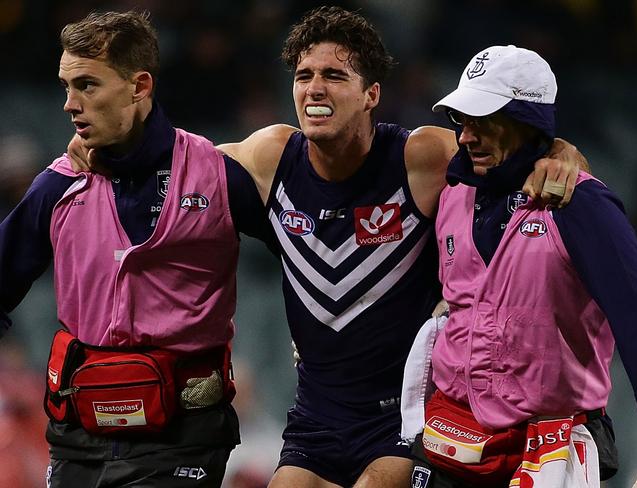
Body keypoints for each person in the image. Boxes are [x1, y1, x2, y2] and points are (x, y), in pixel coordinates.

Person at [69, 7, 585, 487]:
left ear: (371, 94)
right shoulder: (271, 158)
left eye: (334, 76)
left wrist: (561, 152)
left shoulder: (419, 157)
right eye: (303, 76)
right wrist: (109, 146)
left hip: (403, 418)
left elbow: (512, 153)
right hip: (316, 417)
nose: (315, 87)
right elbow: (172, 163)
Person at [0, 11, 274, 487]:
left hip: (183, 438)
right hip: (77, 439)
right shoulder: (56, 187)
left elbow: (307, 259)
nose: (69, 104)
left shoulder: (218, 176)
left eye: (87, 85)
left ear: (139, 86)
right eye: (66, 86)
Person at [401, 44, 637, 488]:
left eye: (484, 121)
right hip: (450, 440)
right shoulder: (451, 192)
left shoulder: (581, 205)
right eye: (462, 120)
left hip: (549, 447)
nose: (465, 137)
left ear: (526, 121)